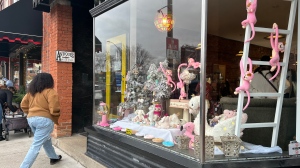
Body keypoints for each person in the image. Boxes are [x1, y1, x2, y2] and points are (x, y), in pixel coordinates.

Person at [20, 73, 62, 167]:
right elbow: (54, 108)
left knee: (46, 140)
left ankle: (54, 157)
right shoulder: (50, 91)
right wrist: (54, 116)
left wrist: (31, 113)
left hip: (31, 119)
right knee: (36, 145)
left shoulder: (31, 92)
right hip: (44, 120)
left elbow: (23, 105)